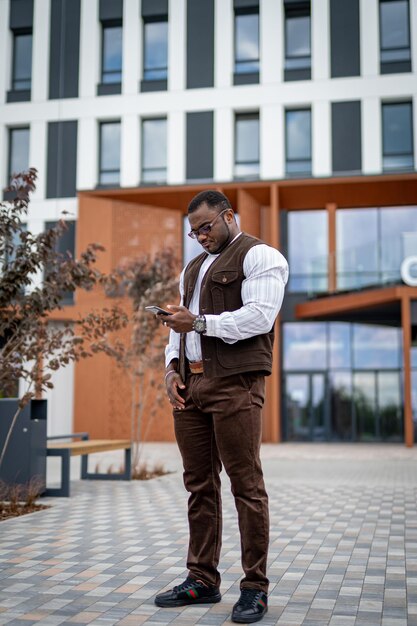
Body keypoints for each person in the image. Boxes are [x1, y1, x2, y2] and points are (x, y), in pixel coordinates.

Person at [154, 190, 288, 624]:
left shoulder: (262, 256)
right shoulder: (191, 268)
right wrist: (172, 369)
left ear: (229, 215)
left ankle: (255, 587)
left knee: (246, 486)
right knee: (199, 486)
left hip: (235, 384)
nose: (200, 237)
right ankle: (202, 579)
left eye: (206, 227)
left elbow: (259, 317)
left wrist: (198, 323)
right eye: (194, 232)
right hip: (191, 387)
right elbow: (178, 328)